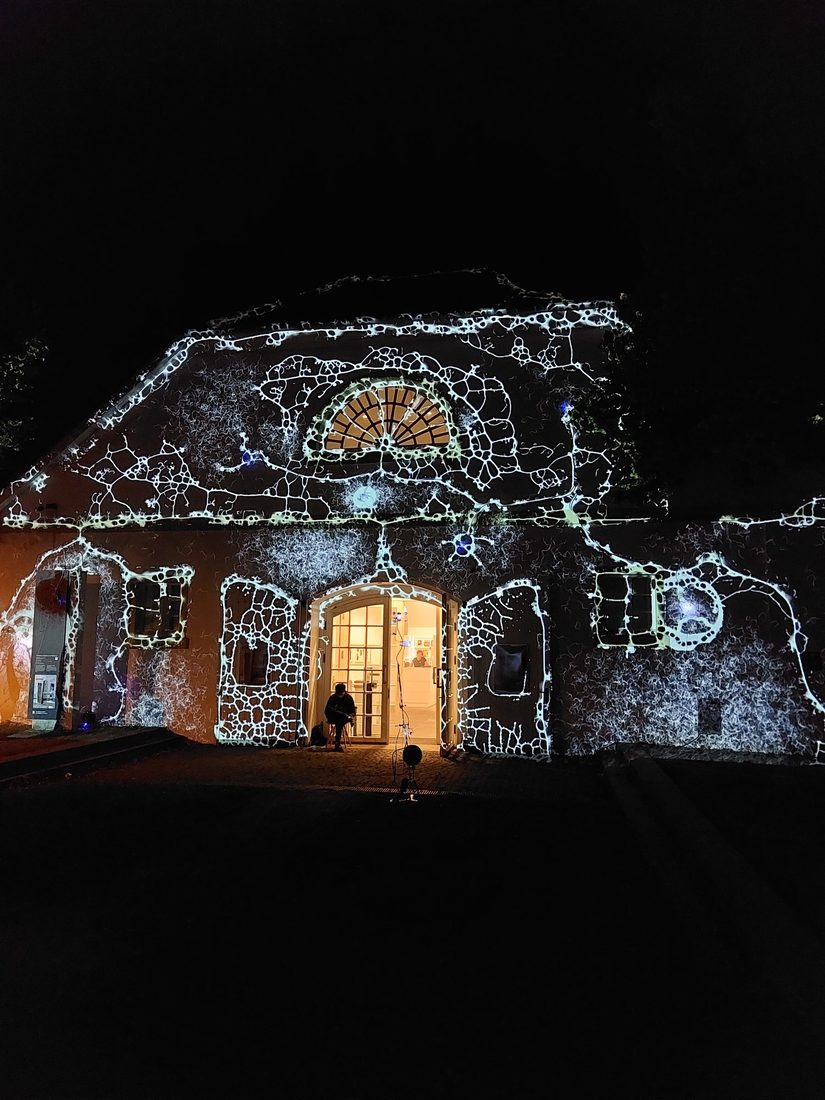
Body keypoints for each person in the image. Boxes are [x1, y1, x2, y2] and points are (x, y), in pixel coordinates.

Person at [324, 682, 356, 751]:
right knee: (339, 720)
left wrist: (349, 715)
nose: (339, 696)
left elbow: (352, 711)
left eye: (340, 694)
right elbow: (327, 710)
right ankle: (337, 744)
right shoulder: (333, 698)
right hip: (334, 717)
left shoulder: (348, 698)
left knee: (340, 721)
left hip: (344, 718)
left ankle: (337, 743)